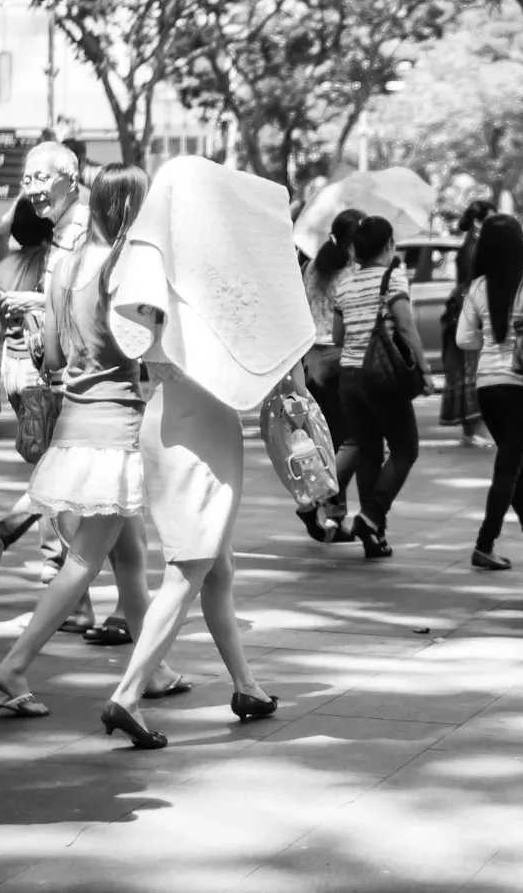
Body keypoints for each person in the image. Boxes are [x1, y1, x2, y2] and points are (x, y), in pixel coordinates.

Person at [100, 156, 310, 749]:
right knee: (190, 570)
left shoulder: (154, 270)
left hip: (172, 419)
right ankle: (127, 695)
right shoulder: (197, 278)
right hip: (200, 429)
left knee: (216, 568)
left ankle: (245, 683)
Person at [0, 164, 184, 714]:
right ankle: (14, 664)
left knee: (130, 559)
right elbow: (147, 350)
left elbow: (50, 355)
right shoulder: (127, 270)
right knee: (85, 562)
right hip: (113, 431)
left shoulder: (66, 264)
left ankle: (154, 667)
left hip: (74, 422)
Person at [0, 144, 87, 627]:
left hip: (15, 376)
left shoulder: (5, 268)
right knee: (63, 480)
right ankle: (56, 573)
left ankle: (11, 540)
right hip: (46, 379)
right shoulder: (47, 263)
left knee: (53, 472)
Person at [332, 216, 435, 558]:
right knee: (406, 449)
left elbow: (337, 336)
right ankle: (372, 516)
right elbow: (405, 327)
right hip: (380, 377)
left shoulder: (344, 284)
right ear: (389, 245)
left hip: (348, 376)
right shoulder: (393, 277)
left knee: (369, 451)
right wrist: (424, 369)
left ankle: (373, 536)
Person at [455, 214, 523, 569]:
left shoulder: (477, 286)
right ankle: (484, 542)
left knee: (515, 464)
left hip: (487, 387)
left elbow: (464, 339)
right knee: (509, 466)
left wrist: (489, 342)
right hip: (518, 385)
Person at [297, 208, 366, 543]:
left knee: (328, 441)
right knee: (355, 440)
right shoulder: (353, 272)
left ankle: (336, 517)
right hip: (338, 361)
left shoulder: (310, 266)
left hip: (308, 361)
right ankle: (311, 502)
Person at [440, 200, 494, 446]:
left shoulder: (467, 245)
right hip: (474, 311)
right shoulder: (478, 245)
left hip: (463, 310)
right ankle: (476, 430)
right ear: (478, 221)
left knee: (465, 369)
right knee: (474, 368)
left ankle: (470, 430)